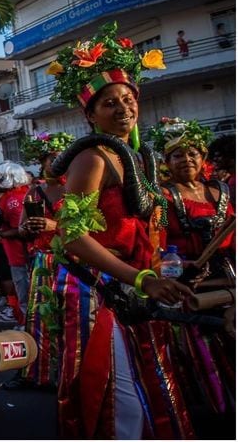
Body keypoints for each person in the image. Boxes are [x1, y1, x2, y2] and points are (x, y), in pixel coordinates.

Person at [48, 22, 195, 438]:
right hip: (102, 293)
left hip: (138, 286)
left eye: (128, 99)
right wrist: (141, 278)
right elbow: (72, 237)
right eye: (109, 103)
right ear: (90, 113)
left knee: (152, 388)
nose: (123, 108)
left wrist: (164, 262)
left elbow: (153, 219)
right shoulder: (92, 160)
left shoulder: (142, 162)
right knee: (118, 400)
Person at [149, 117, 235, 438]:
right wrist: (175, 267)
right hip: (187, 280)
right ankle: (217, 407)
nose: (186, 160)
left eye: (192, 154)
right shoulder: (164, 197)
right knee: (201, 346)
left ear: (203, 158)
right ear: (167, 162)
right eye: (177, 155)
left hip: (227, 278)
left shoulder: (220, 191)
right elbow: (155, 242)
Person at [18, 131, 74, 388]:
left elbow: (90, 229)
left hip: (71, 260)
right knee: (38, 317)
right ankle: (39, 373)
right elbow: (20, 229)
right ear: (42, 162)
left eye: (60, 157)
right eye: (51, 158)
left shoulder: (77, 185)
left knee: (71, 318)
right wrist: (29, 227)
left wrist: (54, 225)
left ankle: (71, 372)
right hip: (42, 263)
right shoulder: (35, 191)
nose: (55, 162)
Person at [0, 162, 31, 327]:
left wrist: (1, 234)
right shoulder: (13, 197)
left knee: (24, 294)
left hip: (20, 256)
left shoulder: (13, 200)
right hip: (17, 255)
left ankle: (27, 326)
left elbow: (22, 230)